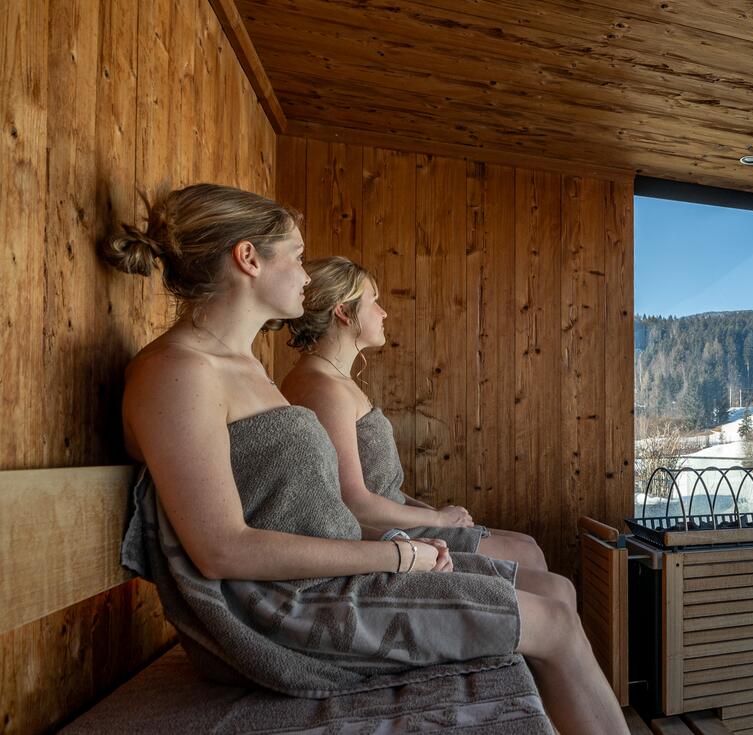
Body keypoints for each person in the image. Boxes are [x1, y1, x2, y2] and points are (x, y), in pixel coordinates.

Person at [105, 183, 624, 733]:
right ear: (249, 258)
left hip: (334, 581)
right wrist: (396, 558)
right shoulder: (177, 372)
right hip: (287, 614)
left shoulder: (242, 367)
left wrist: (403, 549)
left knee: (557, 602)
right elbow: (221, 550)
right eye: (299, 257)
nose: (307, 277)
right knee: (554, 625)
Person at [279, 256, 547, 570]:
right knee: (528, 555)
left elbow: (384, 490)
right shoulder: (322, 389)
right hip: (375, 535)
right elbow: (355, 502)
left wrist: (442, 517)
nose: (384, 312)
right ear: (342, 311)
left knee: (528, 547)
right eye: (374, 301)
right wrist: (438, 518)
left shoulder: (333, 380)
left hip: (394, 519)